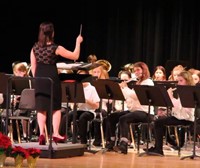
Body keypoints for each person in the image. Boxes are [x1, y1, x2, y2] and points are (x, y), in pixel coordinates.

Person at [30, 21, 83, 145]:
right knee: (55, 108)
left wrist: (37, 79)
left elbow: (33, 67)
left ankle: (42, 134)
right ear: (52, 33)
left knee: (41, 108)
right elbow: (75, 55)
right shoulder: (56, 48)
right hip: (52, 78)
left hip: (39, 79)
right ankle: (55, 133)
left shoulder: (34, 48)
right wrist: (78, 42)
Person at [145, 70, 195, 155]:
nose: (178, 83)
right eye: (178, 81)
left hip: (186, 119)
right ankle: (170, 144)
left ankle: (159, 149)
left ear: (187, 81)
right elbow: (177, 108)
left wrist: (171, 97)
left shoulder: (189, 92)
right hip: (178, 117)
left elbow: (182, 107)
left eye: (181, 81)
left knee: (158, 123)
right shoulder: (182, 91)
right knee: (158, 122)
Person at [110, 62, 155, 154]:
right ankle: (111, 141)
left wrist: (125, 88)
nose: (136, 72)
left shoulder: (148, 82)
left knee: (124, 118)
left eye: (138, 70)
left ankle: (124, 144)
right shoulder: (138, 82)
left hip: (145, 112)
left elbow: (136, 96)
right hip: (135, 111)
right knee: (112, 116)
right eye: (134, 70)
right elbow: (130, 99)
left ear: (144, 70)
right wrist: (121, 89)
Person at [60, 69, 100, 145]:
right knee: (67, 116)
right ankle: (62, 137)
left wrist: (86, 100)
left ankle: (83, 141)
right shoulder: (77, 88)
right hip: (79, 110)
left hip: (90, 111)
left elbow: (97, 105)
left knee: (83, 117)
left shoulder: (92, 89)